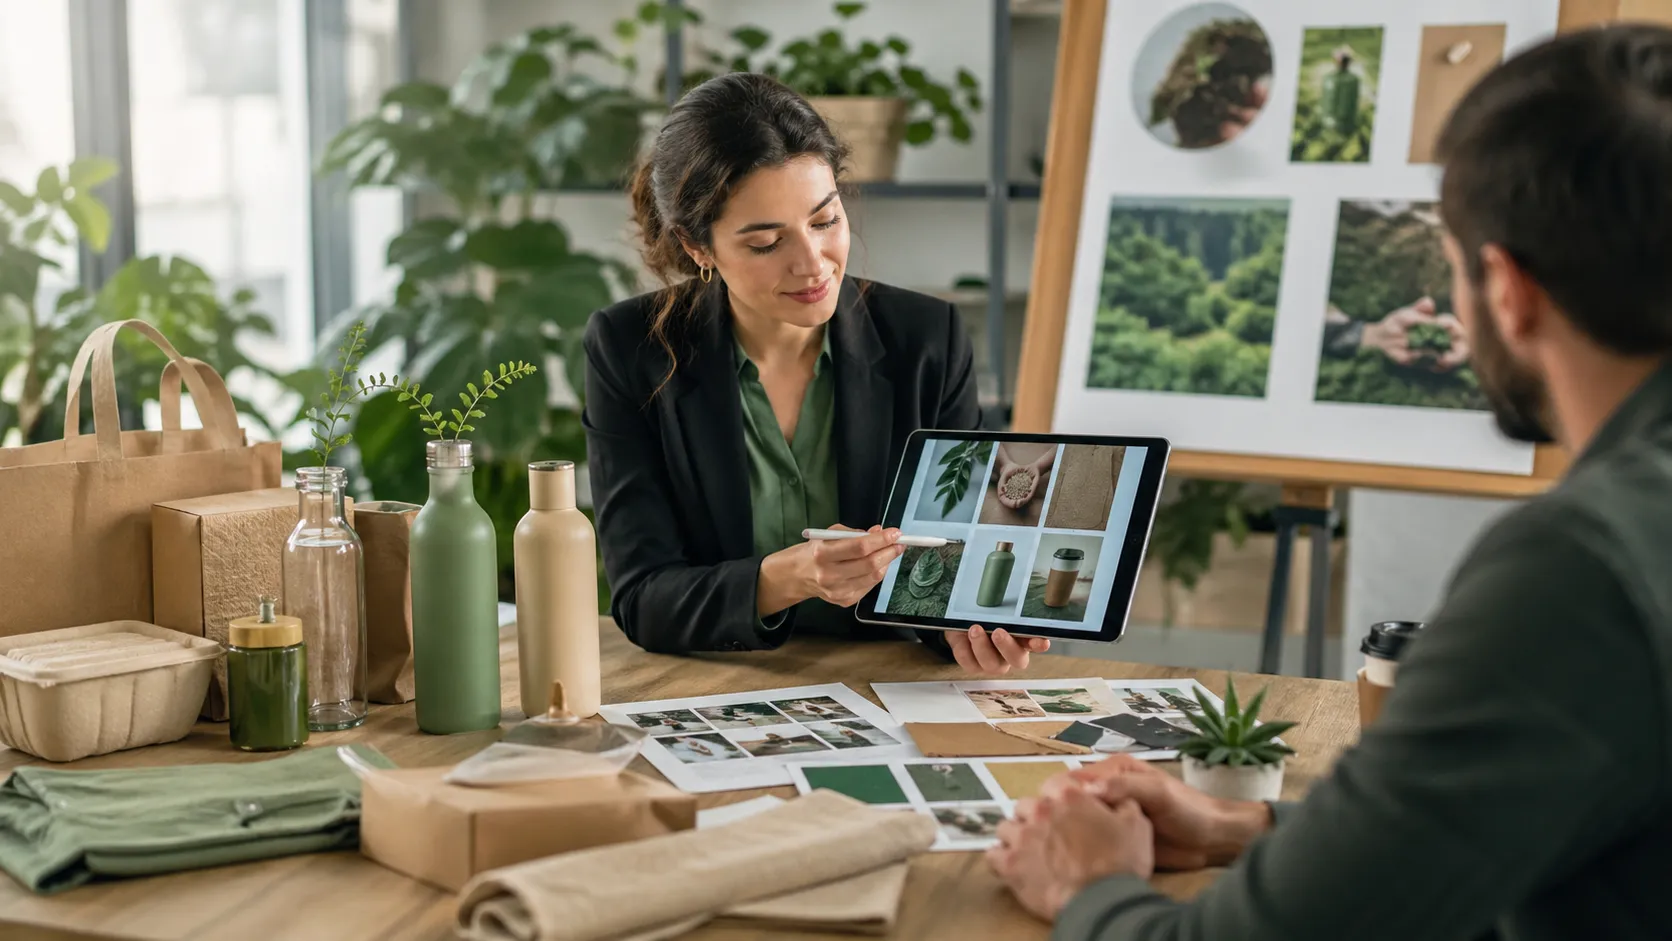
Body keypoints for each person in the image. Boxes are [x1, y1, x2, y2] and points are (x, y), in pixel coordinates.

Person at [988, 26, 1672, 940]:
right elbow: (1535, 810)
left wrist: (1089, 887)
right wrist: (1256, 826)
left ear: (1507, 289)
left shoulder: (1584, 569)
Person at [583, 72, 1046, 676]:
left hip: (884, 681)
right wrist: (787, 578)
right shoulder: (630, 348)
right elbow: (643, 598)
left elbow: (949, 562)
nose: (812, 265)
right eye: (765, 243)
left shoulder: (926, 339)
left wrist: (970, 626)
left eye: (824, 222)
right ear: (697, 248)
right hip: (714, 681)